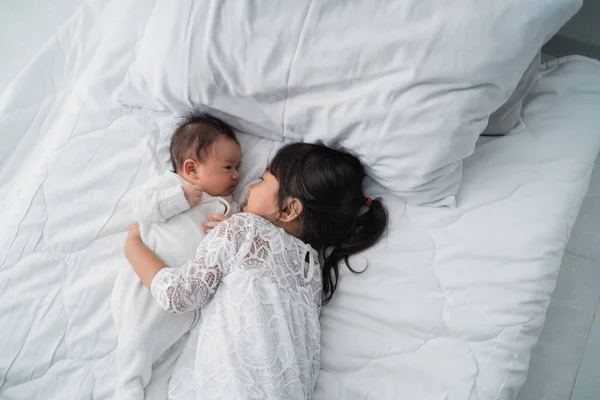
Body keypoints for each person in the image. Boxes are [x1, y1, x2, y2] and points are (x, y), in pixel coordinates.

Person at [124, 142, 388, 399]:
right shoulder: (312, 271)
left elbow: (179, 295)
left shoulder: (244, 227)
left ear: (288, 209)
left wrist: (133, 246)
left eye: (262, 180)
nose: (249, 186)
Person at [112, 111, 241, 399]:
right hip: (146, 284)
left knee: (173, 351)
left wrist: (231, 222)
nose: (236, 175)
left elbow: (236, 233)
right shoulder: (168, 187)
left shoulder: (225, 204)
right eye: (228, 167)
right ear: (192, 169)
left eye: (238, 167)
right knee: (138, 340)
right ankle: (127, 386)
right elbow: (142, 208)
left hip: (185, 295)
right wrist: (179, 198)